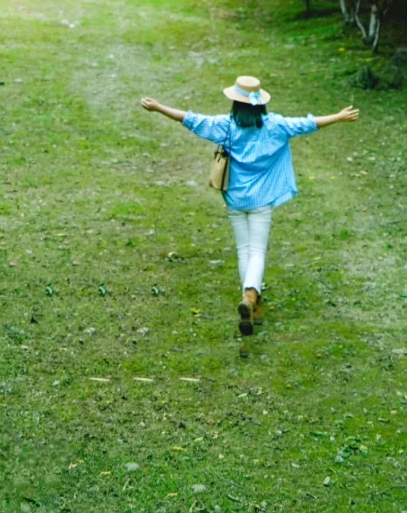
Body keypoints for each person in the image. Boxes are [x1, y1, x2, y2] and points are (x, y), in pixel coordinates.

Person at [140, 75, 359, 336]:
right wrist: (337, 116)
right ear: (260, 103)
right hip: (262, 200)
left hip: (234, 197)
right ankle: (251, 295)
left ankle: (252, 303)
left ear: (235, 102)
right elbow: (308, 124)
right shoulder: (276, 125)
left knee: (244, 249)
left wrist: (159, 107)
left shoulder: (225, 126)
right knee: (258, 251)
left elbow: (190, 119)